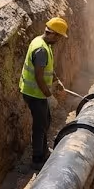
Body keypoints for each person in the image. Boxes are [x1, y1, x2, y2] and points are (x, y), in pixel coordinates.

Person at [18, 17, 69, 169]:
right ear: (52, 34)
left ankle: (43, 150)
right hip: (34, 93)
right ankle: (37, 159)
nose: (59, 40)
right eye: (59, 36)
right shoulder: (41, 50)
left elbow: (47, 69)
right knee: (40, 125)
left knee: (46, 120)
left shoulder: (43, 43)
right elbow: (39, 77)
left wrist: (56, 81)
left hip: (37, 92)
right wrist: (49, 96)